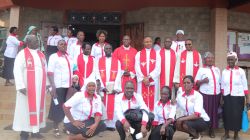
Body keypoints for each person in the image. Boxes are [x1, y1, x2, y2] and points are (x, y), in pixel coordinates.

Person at [13, 35, 49, 140]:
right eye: (35, 41)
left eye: (37, 40)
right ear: (28, 43)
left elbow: (45, 70)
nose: (37, 42)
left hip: (39, 89)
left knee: (37, 109)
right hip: (27, 88)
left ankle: (35, 132)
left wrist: (46, 83)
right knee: (25, 110)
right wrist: (20, 86)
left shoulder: (41, 54)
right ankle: (24, 133)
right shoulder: (22, 54)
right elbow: (17, 70)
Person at [221, 52, 250, 140]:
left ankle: (236, 135)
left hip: (238, 97)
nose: (230, 61)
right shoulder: (224, 71)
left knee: (237, 116)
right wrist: (222, 98)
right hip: (227, 96)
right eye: (228, 59)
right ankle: (226, 134)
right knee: (226, 115)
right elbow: (222, 86)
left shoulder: (241, 71)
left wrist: (247, 98)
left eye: (232, 59)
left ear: (235, 60)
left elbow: (245, 86)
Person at [47, 40, 73, 136]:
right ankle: (55, 127)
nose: (63, 46)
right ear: (57, 46)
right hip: (58, 86)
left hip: (68, 86)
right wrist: (52, 87)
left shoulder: (69, 56)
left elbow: (73, 70)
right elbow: (50, 73)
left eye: (64, 44)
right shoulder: (53, 57)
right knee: (56, 107)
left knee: (67, 107)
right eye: (61, 44)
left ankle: (65, 126)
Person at [95, 43, 122, 129]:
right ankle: (103, 124)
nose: (108, 50)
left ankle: (111, 124)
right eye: (106, 49)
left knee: (113, 105)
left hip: (113, 88)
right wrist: (102, 87)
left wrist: (115, 87)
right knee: (102, 105)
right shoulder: (99, 60)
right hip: (103, 89)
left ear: (112, 50)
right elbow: (97, 73)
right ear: (104, 50)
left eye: (109, 48)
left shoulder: (117, 61)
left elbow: (118, 74)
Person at [195, 52, 221, 138]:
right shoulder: (201, 70)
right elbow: (196, 83)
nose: (210, 59)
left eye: (212, 58)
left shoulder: (217, 69)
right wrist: (203, 81)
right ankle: (203, 129)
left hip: (216, 94)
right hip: (205, 94)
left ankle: (212, 130)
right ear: (204, 60)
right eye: (208, 58)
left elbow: (220, 82)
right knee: (205, 112)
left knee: (214, 113)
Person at [135, 37, 161, 111]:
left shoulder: (157, 54)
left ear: (152, 42)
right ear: (143, 43)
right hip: (142, 81)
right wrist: (144, 78)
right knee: (142, 99)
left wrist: (149, 77)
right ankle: (143, 115)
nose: (148, 43)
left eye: (150, 41)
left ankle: (152, 116)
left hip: (152, 81)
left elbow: (158, 68)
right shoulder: (138, 54)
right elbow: (137, 67)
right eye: (146, 42)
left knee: (153, 99)